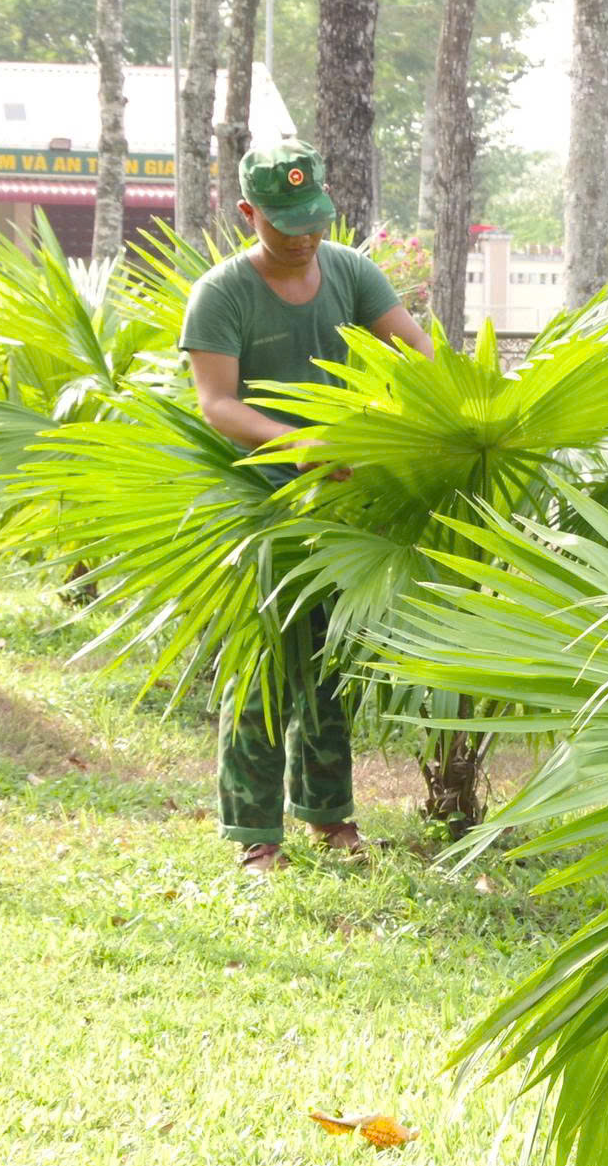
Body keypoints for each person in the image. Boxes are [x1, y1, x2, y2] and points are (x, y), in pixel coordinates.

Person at [182, 142, 432, 874]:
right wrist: (298, 443)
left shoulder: (350, 271)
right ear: (247, 213)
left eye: (313, 219)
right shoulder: (222, 292)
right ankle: (255, 833)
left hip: (342, 504)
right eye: (284, 222)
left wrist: (448, 406)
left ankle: (329, 816)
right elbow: (218, 404)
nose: (303, 236)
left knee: (332, 662)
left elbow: (411, 344)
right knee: (264, 668)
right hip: (257, 510)